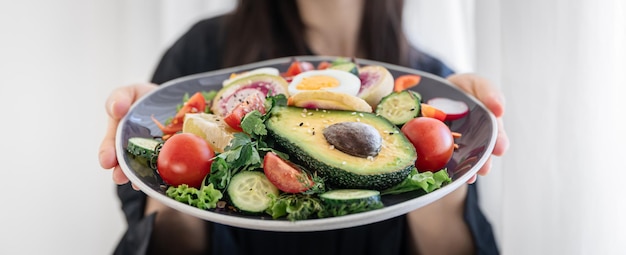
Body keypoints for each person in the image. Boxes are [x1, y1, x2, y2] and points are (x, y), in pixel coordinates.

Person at [98, 0, 510, 254]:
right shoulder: (198, 53)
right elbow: (167, 241)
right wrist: (168, 163)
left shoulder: (432, 85)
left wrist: (439, 159)